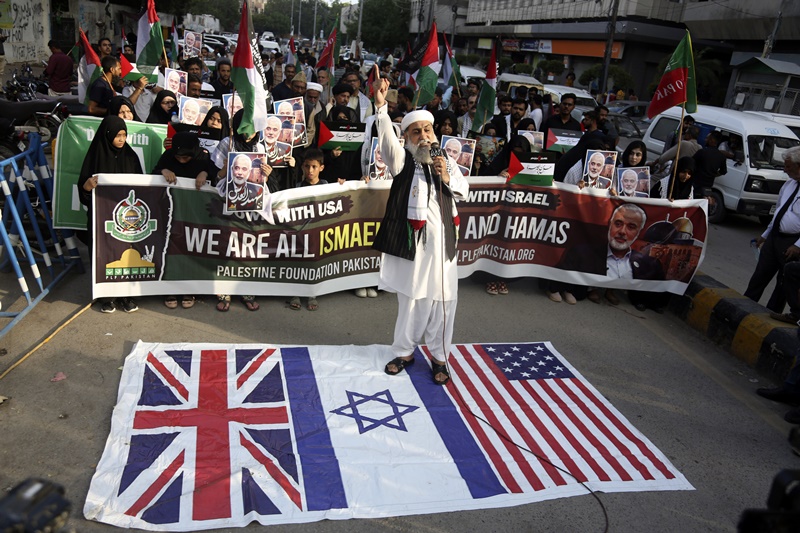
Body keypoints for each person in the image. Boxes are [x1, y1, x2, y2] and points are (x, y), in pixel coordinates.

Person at [371, 73, 469, 386]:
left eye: (427, 129)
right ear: (408, 137)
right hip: (414, 245)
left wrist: (447, 175)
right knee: (411, 300)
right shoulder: (403, 160)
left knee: (443, 303)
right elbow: (388, 143)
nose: (424, 136)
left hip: (444, 248)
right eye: (417, 132)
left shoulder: (445, 160)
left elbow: (464, 190)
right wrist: (381, 108)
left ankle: (440, 359)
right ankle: (404, 352)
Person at [77, 116, 143, 314]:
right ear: (107, 135)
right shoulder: (95, 157)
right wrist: (87, 187)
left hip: (127, 220)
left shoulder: (131, 157)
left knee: (126, 255)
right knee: (104, 256)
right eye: (117, 135)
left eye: (124, 135)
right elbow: (83, 191)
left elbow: (140, 187)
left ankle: (127, 296)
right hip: (101, 219)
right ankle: (106, 296)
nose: (122, 139)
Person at [152, 131, 210, 309]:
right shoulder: (168, 156)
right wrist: (164, 170)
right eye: (179, 156)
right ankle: (169, 289)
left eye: (187, 157)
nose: (182, 160)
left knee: (190, 249)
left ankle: (188, 289)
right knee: (171, 249)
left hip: (194, 214)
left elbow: (217, 176)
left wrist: (205, 173)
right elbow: (153, 172)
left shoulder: (202, 157)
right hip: (171, 212)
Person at [744, 146, 800, 314]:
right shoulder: (789, 184)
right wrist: (765, 235)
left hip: (792, 242)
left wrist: (798, 245)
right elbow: (779, 211)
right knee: (760, 274)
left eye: (788, 166)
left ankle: (772, 313)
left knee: (783, 281)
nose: (785, 169)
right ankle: (746, 305)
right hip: (775, 237)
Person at [288, 149, 327, 311]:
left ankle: (312, 294)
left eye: (314, 167)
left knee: (314, 262)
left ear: (321, 168)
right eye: (307, 166)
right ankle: (295, 293)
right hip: (300, 232)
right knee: (298, 262)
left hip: (317, 233)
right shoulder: (297, 186)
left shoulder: (327, 186)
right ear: (302, 167)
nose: (310, 171)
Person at [692, 130, 728, 199]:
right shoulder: (721, 156)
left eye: (707, 138)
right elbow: (723, 171)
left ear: (712, 140)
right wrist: (713, 174)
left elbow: (691, 163)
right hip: (708, 186)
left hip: (696, 184)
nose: (705, 140)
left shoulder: (702, 152)